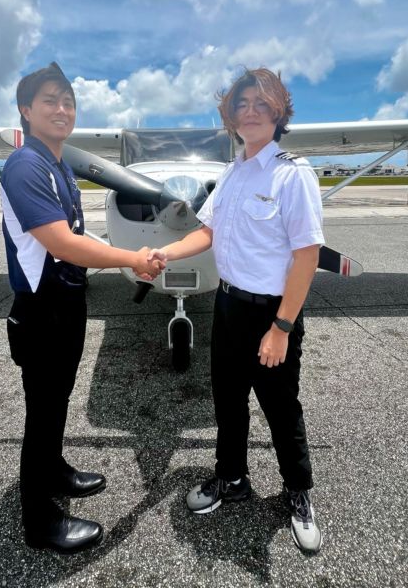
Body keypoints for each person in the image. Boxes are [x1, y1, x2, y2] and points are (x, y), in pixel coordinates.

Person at [148, 68, 324, 553]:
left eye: (261, 103)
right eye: (242, 104)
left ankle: (298, 493)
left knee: (281, 409)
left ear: (279, 112)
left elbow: (307, 256)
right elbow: (207, 232)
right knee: (227, 402)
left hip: (271, 314)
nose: (250, 111)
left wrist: (282, 327)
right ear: (231, 115)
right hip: (227, 306)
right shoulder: (231, 173)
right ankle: (232, 478)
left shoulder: (293, 174)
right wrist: (164, 253)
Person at [0, 62, 163, 554]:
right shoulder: (26, 166)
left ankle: (53, 471)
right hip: (41, 307)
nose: (62, 109)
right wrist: (132, 260)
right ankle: (39, 522)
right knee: (43, 410)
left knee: (59, 399)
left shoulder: (59, 167)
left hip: (68, 302)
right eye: (49, 100)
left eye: (68, 101)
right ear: (26, 110)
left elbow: (75, 236)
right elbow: (63, 243)